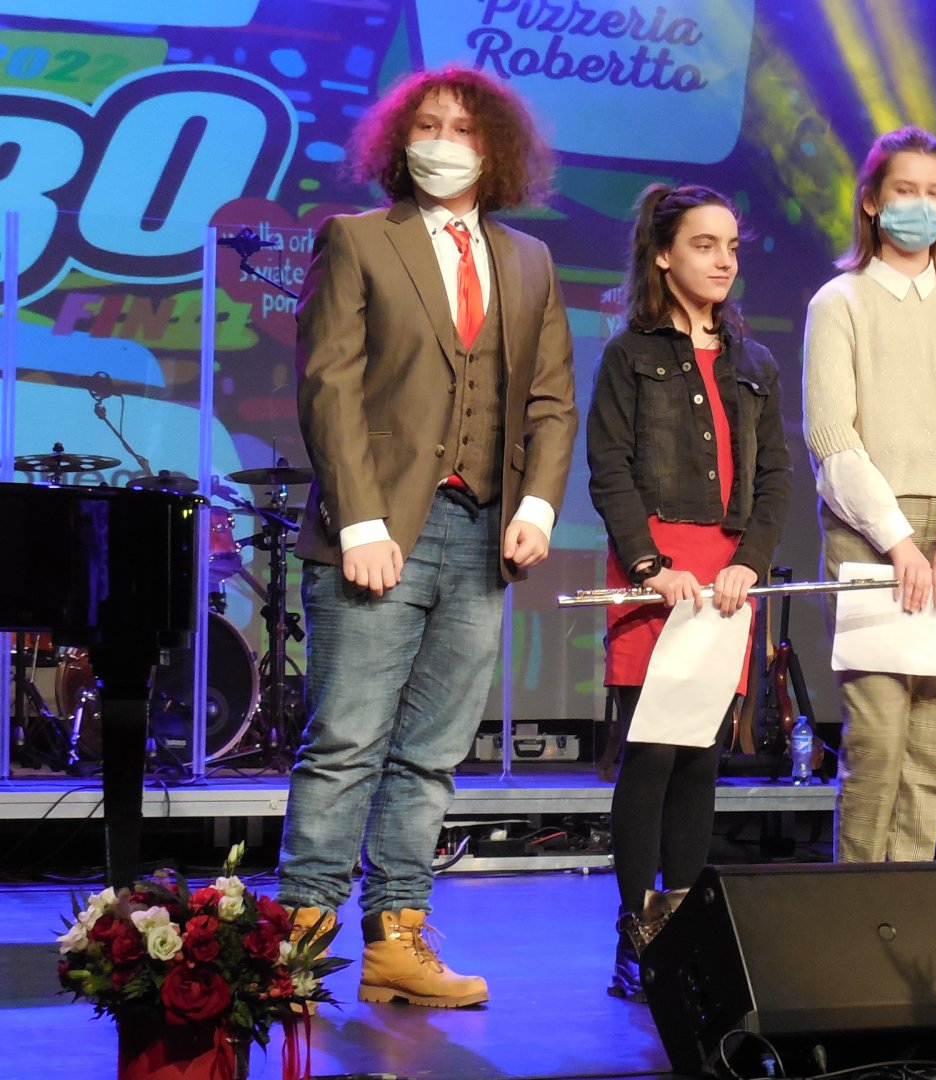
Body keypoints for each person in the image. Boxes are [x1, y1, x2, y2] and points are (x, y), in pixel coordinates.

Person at [279, 66, 577, 1006]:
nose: (442, 142)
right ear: (399, 142)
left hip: (481, 535)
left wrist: (535, 508)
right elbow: (328, 386)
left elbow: (551, 400)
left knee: (433, 752)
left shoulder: (528, 260)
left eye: (461, 129)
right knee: (348, 741)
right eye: (427, 125)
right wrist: (361, 520)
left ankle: (397, 940)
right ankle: (298, 944)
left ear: (496, 151)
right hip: (379, 532)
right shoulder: (359, 239)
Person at [587, 185, 790, 997]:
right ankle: (636, 934)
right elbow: (610, 470)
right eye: (705, 245)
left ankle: (679, 934)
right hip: (658, 570)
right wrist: (649, 566)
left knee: (702, 756)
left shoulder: (756, 363)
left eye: (732, 246)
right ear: (664, 254)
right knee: (653, 752)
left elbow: (774, 479)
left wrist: (752, 562)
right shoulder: (627, 355)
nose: (723, 260)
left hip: (728, 577)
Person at [801, 126, 936, 863]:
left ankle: (911, 894)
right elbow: (833, 437)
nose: (921, 206)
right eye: (905, 191)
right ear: (872, 201)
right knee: (879, 735)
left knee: (931, 743)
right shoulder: (840, 302)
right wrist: (897, 541)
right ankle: (859, 902)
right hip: (868, 533)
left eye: (934, 193)